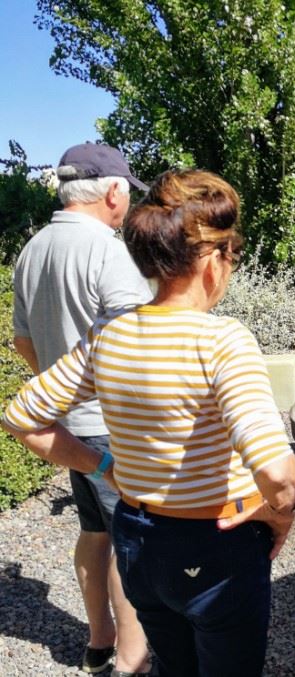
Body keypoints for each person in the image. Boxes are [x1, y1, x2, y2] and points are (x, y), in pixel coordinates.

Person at [3, 169, 295, 677]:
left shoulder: (109, 335)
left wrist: (104, 468)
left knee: (174, 665)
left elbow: (20, 417)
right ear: (211, 260)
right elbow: (277, 474)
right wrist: (280, 512)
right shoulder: (223, 342)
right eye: (233, 253)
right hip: (216, 544)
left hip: (140, 541)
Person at [12, 142, 152, 675]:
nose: (127, 204)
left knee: (94, 532)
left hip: (69, 427)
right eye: (127, 191)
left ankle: (98, 643)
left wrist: (60, 392)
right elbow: (134, 340)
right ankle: (131, 659)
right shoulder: (106, 251)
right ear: (112, 191)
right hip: (114, 428)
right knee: (129, 543)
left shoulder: (33, 249)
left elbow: (24, 342)